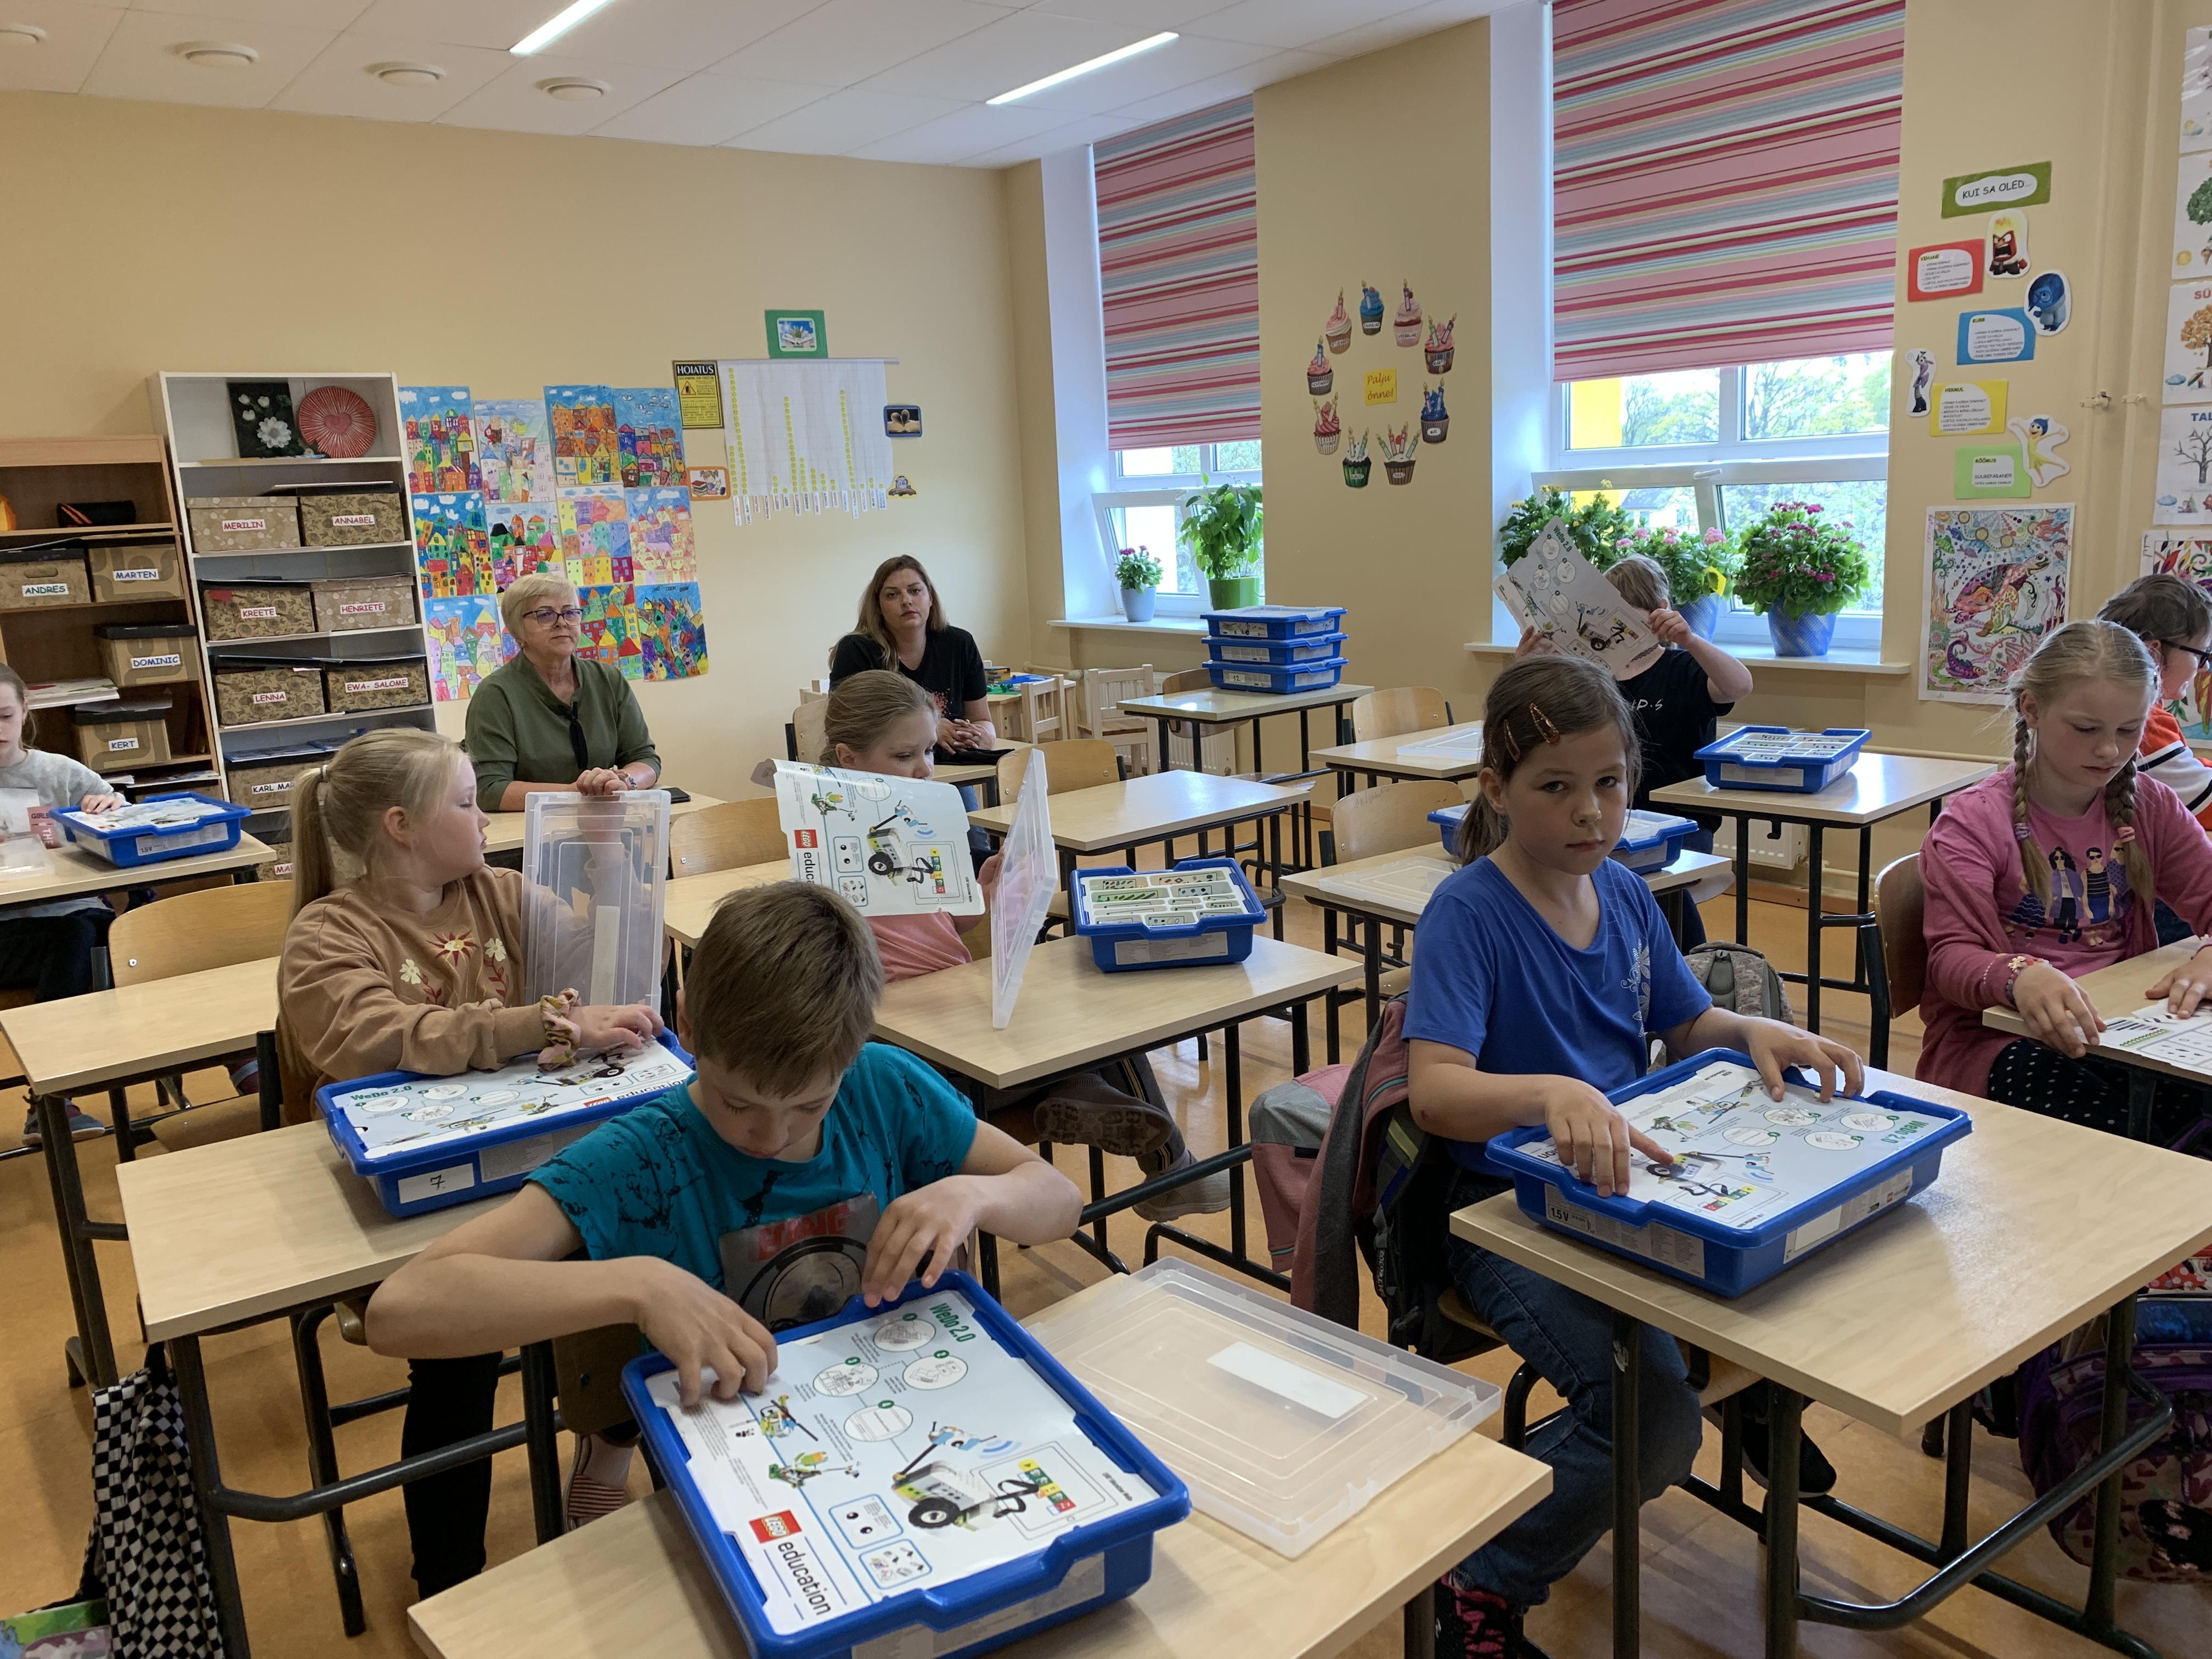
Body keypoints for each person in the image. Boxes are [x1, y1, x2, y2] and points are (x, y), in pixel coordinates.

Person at [1403, 655, 1859, 1653]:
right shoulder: (1468, 914)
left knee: (1800, 1273)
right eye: (1555, 787)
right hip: (1504, 1211)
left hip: (1624, 1188)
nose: (1590, 811)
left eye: (1609, 782)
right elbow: (1435, 1092)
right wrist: (1550, 1093)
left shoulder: (1622, 889)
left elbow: (1682, 1024)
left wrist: (1752, 1030)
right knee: (1651, 1421)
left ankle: (1750, 1391)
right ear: (1495, 789)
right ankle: (1482, 1577)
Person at [362, 882, 1083, 1490]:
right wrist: (637, 1284)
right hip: (739, 1461)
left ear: (853, 1050)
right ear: (688, 1028)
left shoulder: (886, 1087)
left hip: (900, 1418)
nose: (771, 1135)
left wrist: (976, 1195)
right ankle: (602, 1461)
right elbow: (399, 1310)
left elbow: (1059, 1201)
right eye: (739, 1103)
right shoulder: (641, 1156)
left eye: (809, 1106)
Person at [277, 726, 663, 1594]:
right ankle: (447, 1580)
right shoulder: (327, 933)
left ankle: (611, 1447)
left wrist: (608, 857)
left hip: (524, 1166)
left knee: (639, 1256)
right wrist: (544, 1024)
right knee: (457, 1356)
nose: (485, 816)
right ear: (401, 826)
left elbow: (603, 965)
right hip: (418, 1195)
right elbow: (379, 1039)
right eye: (463, 802)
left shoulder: (503, 891)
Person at [819, 670, 1227, 1219]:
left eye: (928, 752)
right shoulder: (827, 844)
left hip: (956, 1005)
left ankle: (1120, 1129)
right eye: (903, 756)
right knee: (1051, 1054)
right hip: (906, 1041)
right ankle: (1156, 1159)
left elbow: (947, 919)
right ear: (848, 760)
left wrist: (985, 892)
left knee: (1096, 1016)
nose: (924, 769)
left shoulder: (915, 821)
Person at [1918, 619, 2212, 1139]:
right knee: (2126, 1139)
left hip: (2124, 1029)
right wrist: (2019, 976)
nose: (2110, 751)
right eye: (2086, 729)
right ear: (2032, 709)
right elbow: (1951, 958)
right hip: (1997, 1041)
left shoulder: (2151, 806)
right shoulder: (1973, 822)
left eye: (2129, 730)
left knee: (2181, 1122)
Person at [1516, 554, 1751, 945]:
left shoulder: (1682, 668)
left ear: (1660, 612)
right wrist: (1525, 670)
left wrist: (1690, 640)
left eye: (1628, 613)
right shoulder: (1589, 676)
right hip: (1604, 816)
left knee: (1645, 885)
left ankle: (1682, 962)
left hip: (1678, 823)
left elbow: (1739, 686)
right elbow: (1535, 728)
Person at [0, 664, 123, 1146]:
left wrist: (113, 811)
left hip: (80, 917)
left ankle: (52, 1099)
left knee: (117, 935)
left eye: (5, 716)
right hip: (10, 933)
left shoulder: (60, 772)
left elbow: (125, 816)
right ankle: (52, 1097)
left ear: (25, 711)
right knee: (84, 936)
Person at [465, 572, 661, 812]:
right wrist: (575, 793)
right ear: (518, 630)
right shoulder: (495, 695)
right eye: (545, 614)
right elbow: (489, 790)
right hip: (530, 828)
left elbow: (645, 758)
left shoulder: (608, 680)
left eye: (570, 613)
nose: (562, 623)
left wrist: (624, 782)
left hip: (607, 820)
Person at [2098, 575, 2212, 949]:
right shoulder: (2142, 724)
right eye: (2201, 655)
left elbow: (2192, 775)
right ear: (2154, 654)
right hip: (2143, 896)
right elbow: (2206, 804)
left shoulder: (2149, 715)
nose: (2203, 668)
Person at [827, 556, 995, 754]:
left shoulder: (960, 643)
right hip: (884, 765)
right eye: (892, 595)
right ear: (879, 607)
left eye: (915, 591)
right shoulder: (856, 650)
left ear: (930, 598)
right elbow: (845, 728)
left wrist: (984, 736)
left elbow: (981, 719)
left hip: (956, 763)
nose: (907, 601)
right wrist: (930, 729)